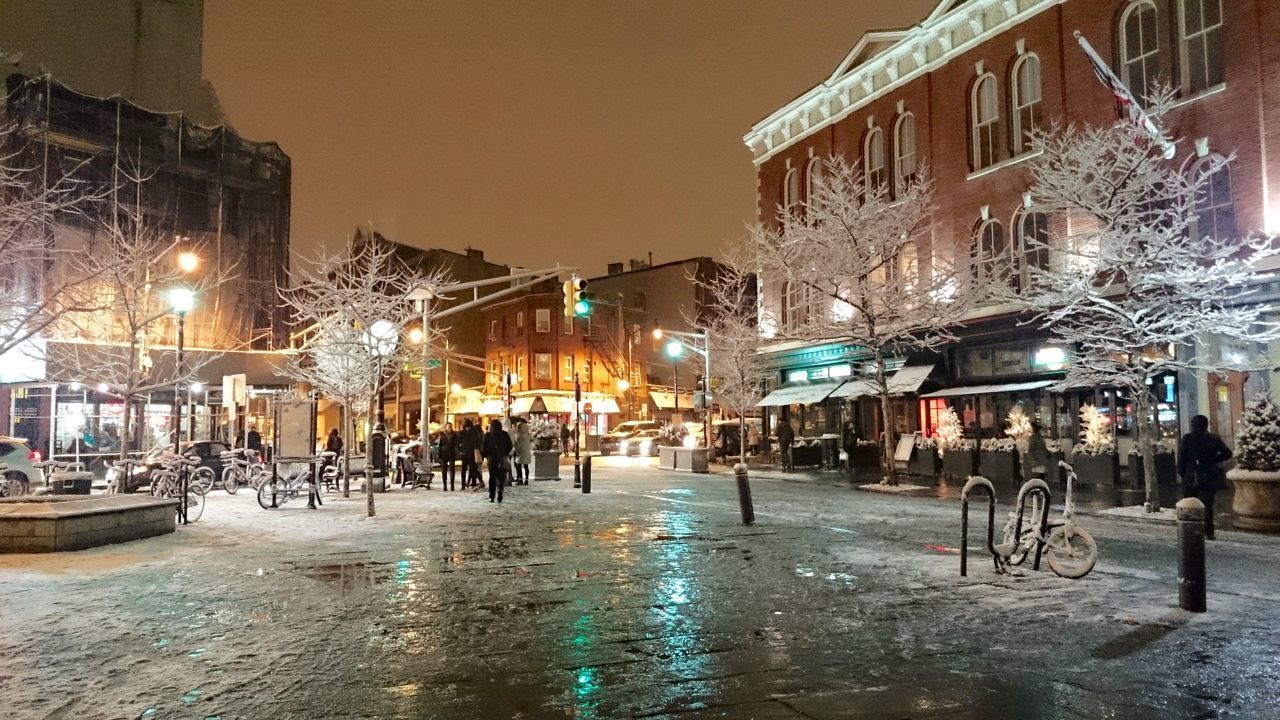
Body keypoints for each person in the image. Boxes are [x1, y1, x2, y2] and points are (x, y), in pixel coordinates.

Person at [1178, 414, 1232, 540]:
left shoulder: (1187, 438)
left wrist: (1182, 472)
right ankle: (1209, 531)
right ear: (1206, 425)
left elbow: (1181, 457)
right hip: (1209, 474)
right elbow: (1227, 453)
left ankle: (1192, 530)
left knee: (1190, 504)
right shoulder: (1213, 438)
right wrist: (1214, 460)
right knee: (1207, 505)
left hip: (1191, 475)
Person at [482, 419, 514, 503]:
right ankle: (500, 489)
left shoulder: (488, 435)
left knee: (492, 477)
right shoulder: (504, 434)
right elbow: (510, 445)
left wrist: (486, 455)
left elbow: (483, 448)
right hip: (501, 459)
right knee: (501, 476)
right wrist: (505, 453)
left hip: (491, 459)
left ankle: (491, 495)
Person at [458, 419, 480, 490]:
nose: (467, 428)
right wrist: (460, 450)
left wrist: (476, 449)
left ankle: (473, 484)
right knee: (463, 470)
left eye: (468, 426)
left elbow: (478, 442)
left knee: (473, 470)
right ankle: (463, 485)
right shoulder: (462, 433)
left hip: (472, 453)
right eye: (466, 427)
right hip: (464, 454)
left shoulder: (474, 433)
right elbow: (458, 443)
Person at [438, 423, 457, 491]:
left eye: (451, 427)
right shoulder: (442, 435)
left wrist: (457, 453)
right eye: (449, 427)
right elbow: (439, 445)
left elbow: (456, 444)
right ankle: (445, 485)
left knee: (452, 470)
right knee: (444, 470)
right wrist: (439, 454)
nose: (450, 428)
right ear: (446, 427)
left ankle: (452, 485)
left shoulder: (454, 435)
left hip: (451, 454)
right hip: (444, 454)